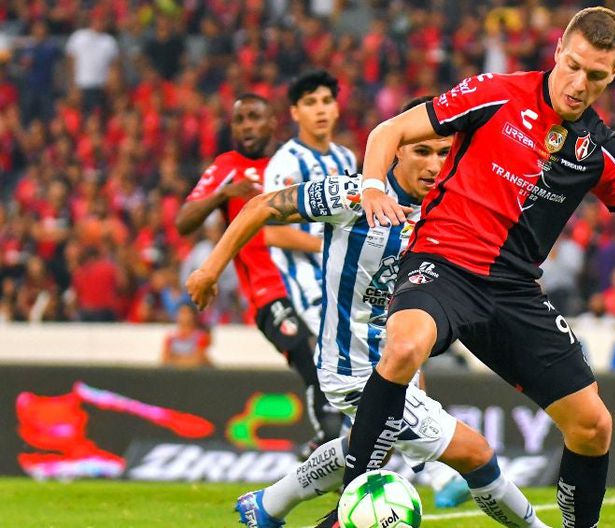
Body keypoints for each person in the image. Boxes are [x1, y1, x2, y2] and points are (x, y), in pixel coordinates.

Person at [318, 7, 615, 528]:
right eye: (573, 66)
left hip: (513, 291)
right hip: (442, 262)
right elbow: (389, 130)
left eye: (596, 75)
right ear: (558, 49)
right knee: (402, 348)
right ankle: (350, 505)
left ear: (614, 74)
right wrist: (372, 186)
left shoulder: (599, 149)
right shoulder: (495, 92)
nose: (579, 84)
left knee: (593, 426)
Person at [187, 97, 549, 528]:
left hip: (399, 365)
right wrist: (209, 269)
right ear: (396, 149)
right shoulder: (355, 196)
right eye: (421, 151)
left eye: (443, 152)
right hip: (354, 369)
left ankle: (267, 506)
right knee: (477, 455)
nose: (434, 165)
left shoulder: (452, 211)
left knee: (368, 446)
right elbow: (261, 206)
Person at [175, 93, 341, 456]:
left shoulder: (294, 162)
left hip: (312, 284)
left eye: (254, 117)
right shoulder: (228, 166)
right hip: (268, 293)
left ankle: (342, 444)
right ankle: (327, 439)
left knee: (338, 358)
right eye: (239, 120)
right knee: (308, 350)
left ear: (273, 122)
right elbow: (183, 222)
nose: (246, 126)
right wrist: (223, 194)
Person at [263, 69, 356, 354]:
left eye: (326, 101)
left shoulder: (345, 157)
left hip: (345, 276)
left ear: (336, 108)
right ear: (295, 112)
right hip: (308, 282)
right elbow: (272, 232)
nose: (320, 110)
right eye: (310, 102)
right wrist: (326, 246)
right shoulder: (286, 163)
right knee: (347, 353)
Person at [161, 303, 212, 368]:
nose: (183, 316)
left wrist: (176, 358)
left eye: (186, 313)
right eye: (181, 313)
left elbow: (199, 359)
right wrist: (188, 359)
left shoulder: (201, 336)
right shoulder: (171, 337)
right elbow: (165, 359)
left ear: (193, 315)